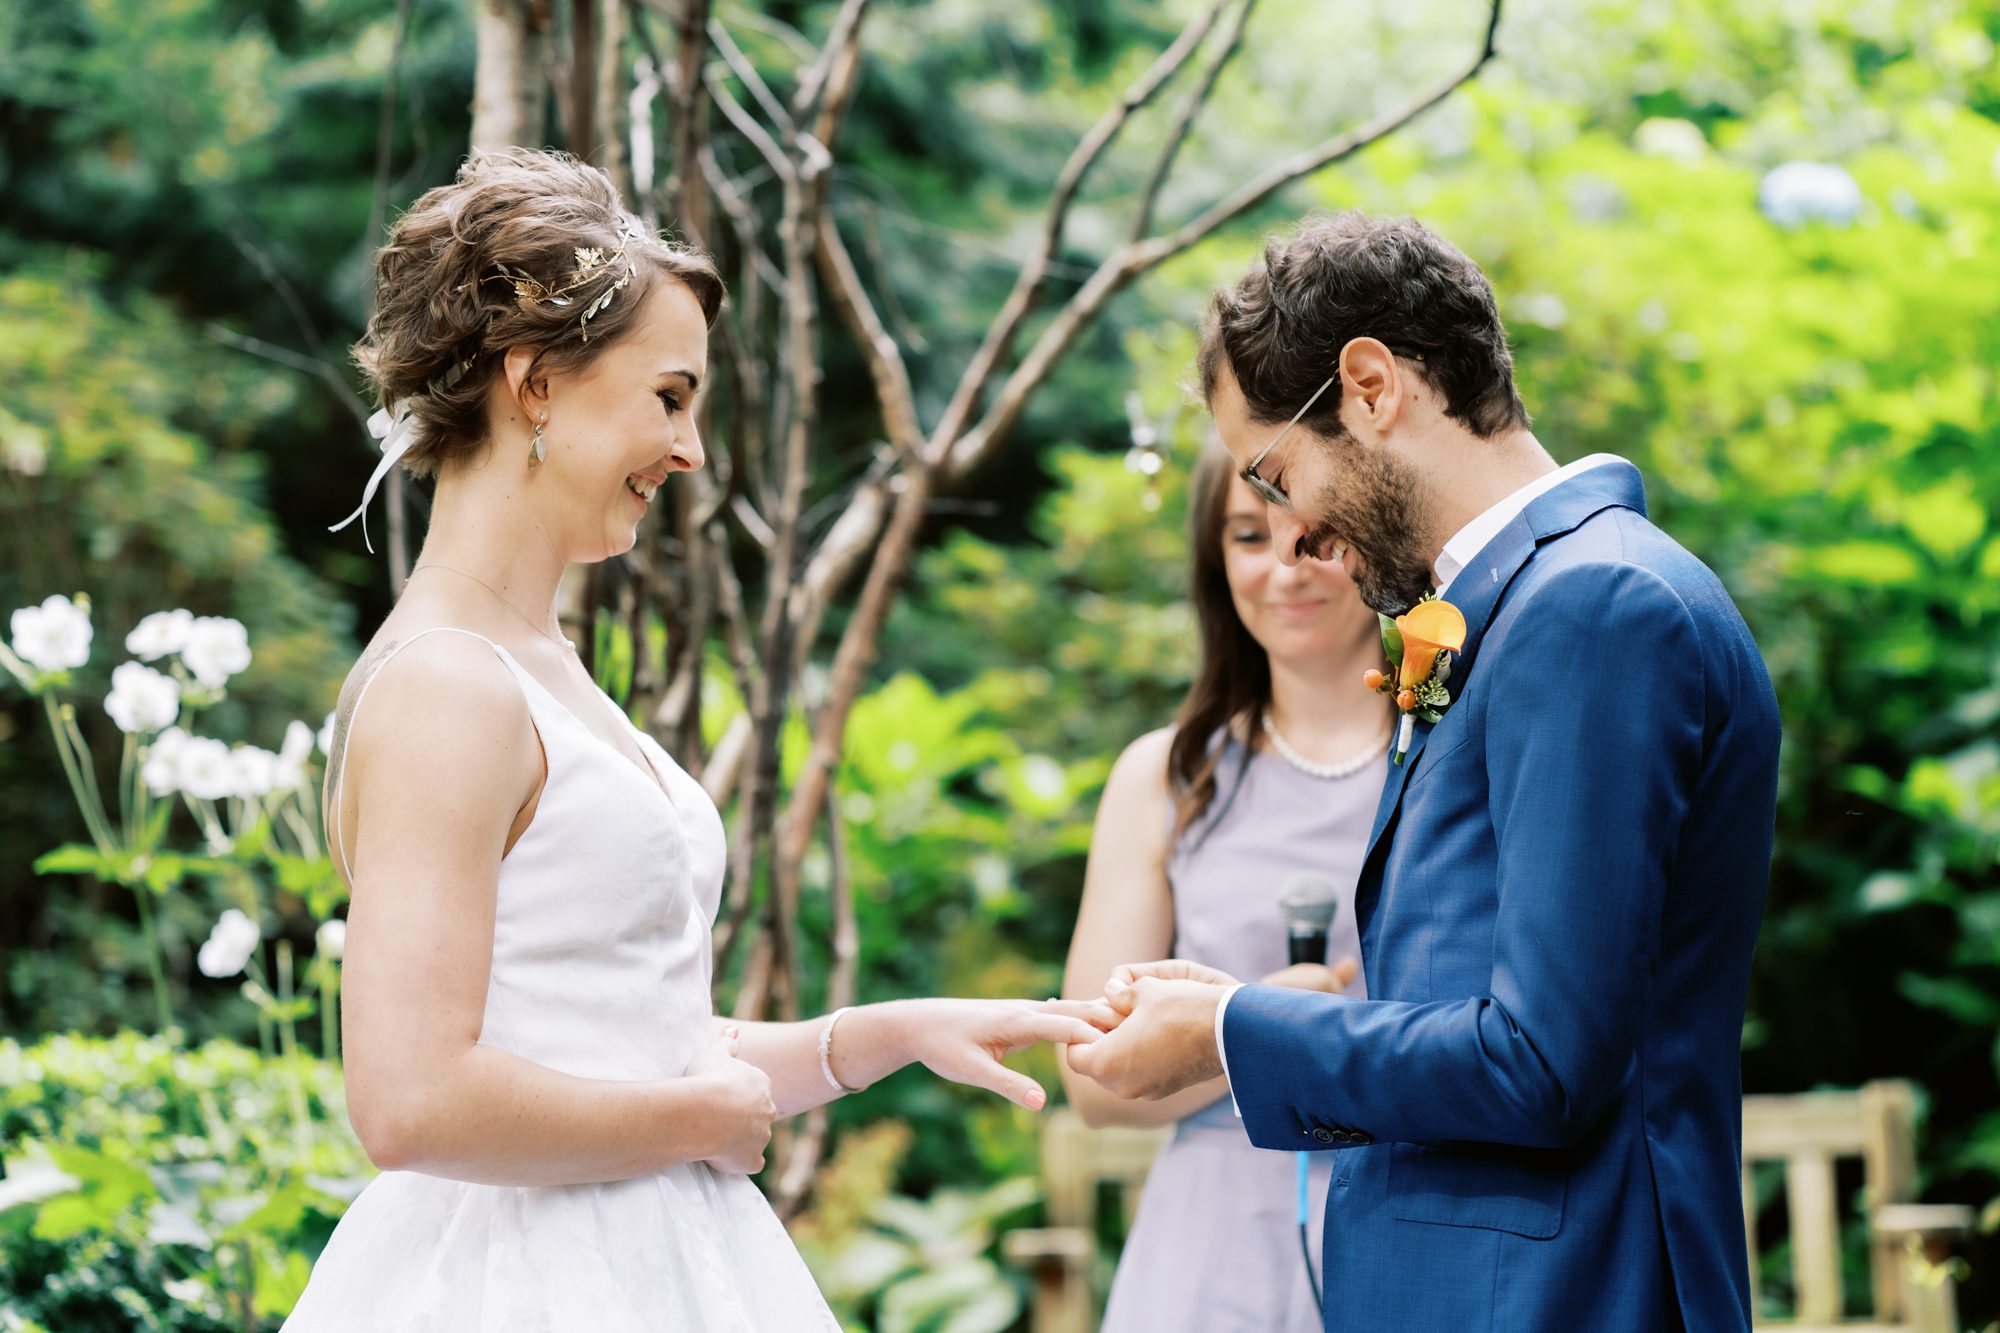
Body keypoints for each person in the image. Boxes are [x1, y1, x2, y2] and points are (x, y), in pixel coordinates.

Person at [285, 149, 1108, 1331]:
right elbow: (409, 1100)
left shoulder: (544, 669)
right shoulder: (448, 688)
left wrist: (877, 1036)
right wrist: (697, 1123)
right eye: (670, 397)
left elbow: (611, 1034)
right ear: (534, 386)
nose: (693, 451)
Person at [1066, 211, 1782, 1332]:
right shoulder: (1508, 611)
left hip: (1553, 1297)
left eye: (1277, 469)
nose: (1292, 525)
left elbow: (1539, 1061)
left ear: (1367, 385)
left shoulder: (1593, 606)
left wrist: (1231, 1031)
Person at [1060, 443, 1390, 1332]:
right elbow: (1092, 1075)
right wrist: (1255, 1026)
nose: (1285, 567)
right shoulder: (1164, 777)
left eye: (1315, 536)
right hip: (1210, 1257)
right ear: (1216, 563)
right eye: (1248, 535)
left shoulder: (1451, 760)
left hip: (1409, 1227)